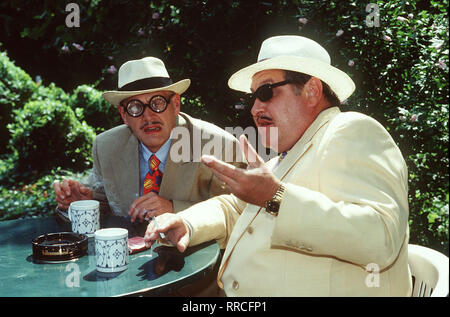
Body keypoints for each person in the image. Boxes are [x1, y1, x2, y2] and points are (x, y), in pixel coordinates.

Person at [144, 36, 412, 296]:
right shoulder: (292, 153)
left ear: (312, 91)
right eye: (254, 97)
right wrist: (187, 222)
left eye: (265, 92)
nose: (255, 108)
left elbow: (381, 238)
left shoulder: (350, 130)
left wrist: (275, 198)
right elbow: (234, 208)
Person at [53, 56, 246, 226]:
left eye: (157, 103)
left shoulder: (219, 146)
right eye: (135, 107)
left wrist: (174, 210)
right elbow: (106, 207)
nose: (148, 117)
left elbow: (239, 213)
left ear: (176, 104)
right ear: (124, 114)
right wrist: (83, 203)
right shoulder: (107, 147)